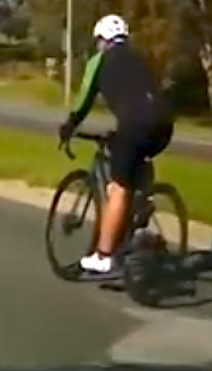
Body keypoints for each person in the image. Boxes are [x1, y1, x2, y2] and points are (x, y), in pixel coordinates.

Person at [59, 14, 174, 274]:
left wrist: (69, 126)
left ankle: (103, 255)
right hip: (164, 125)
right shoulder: (140, 58)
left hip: (134, 125)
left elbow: (84, 100)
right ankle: (143, 203)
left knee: (119, 188)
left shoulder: (99, 61)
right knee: (137, 154)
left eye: (98, 42)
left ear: (102, 39)